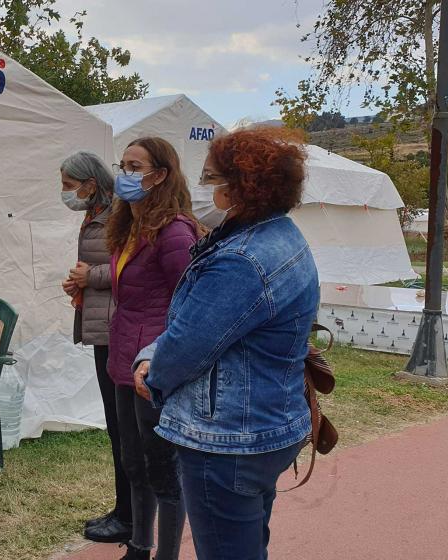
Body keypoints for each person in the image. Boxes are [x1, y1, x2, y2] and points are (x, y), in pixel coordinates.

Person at [134, 128, 319, 560]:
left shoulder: (242, 259)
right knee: (248, 546)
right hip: (268, 424)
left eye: (212, 177)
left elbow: (189, 343)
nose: (205, 187)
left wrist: (152, 373)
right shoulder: (282, 235)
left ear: (243, 186)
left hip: (228, 438)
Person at [106, 137, 201, 560]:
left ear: (159, 174)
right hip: (123, 354)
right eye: (122, 164)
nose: (125, 174)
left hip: (155, 362)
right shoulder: (129, 224)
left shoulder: (175, 231)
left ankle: (165, 554)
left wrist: (162, 355)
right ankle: (138, 547)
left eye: (134, 166)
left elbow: (192, 302)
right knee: (134, 462)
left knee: (163, 467)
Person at [60, 151, 132, 543]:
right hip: (103, 326)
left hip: (117, 329)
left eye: (70, 186)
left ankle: (130, 516)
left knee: (124, 429)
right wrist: (81, 282)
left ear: (91, 182)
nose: (66, 194)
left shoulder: (121, 214)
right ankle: (124, 509)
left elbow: (133, 266)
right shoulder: (97, 214)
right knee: (117, 427)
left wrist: (93, 276)